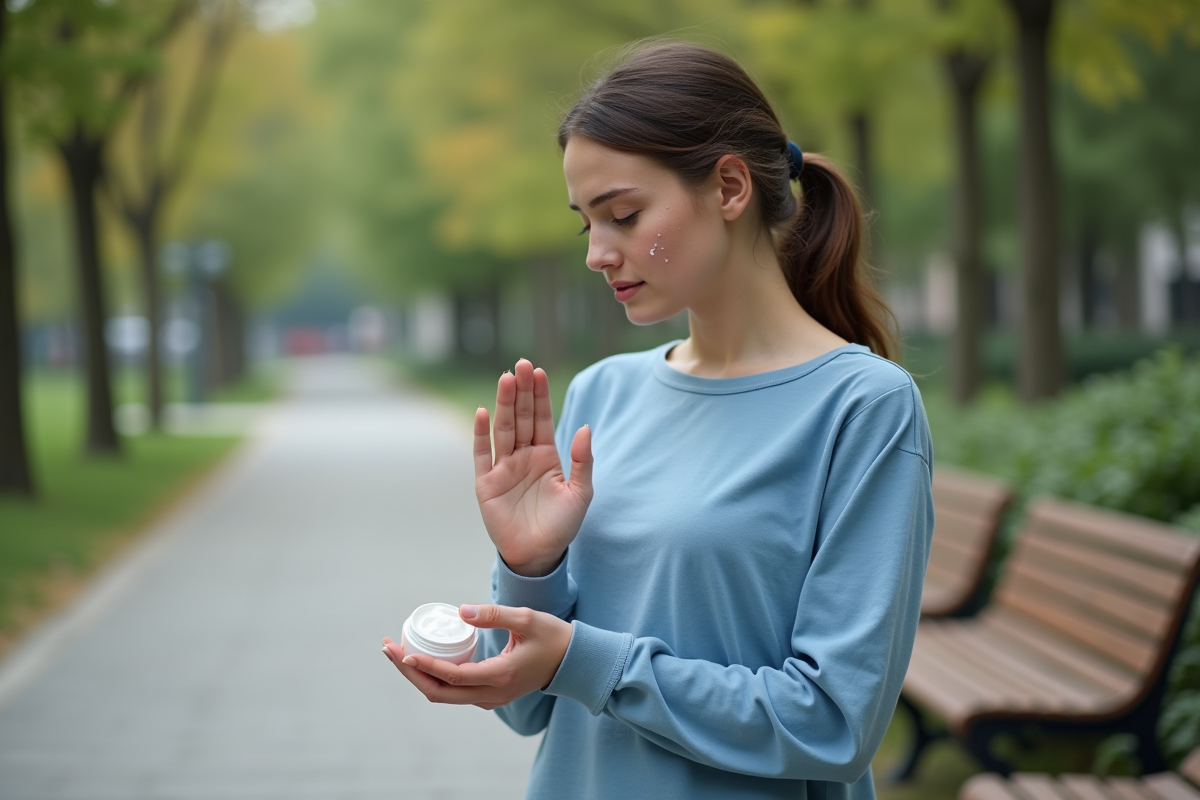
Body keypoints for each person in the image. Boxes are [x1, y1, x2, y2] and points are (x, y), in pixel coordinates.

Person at [382, 41, 934, 800]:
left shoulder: (862, 407)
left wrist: (583, 659)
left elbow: (833, 723)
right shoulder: (601, 394)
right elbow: (526, 710)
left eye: (624, 215)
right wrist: (530, 568)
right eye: (586, 225)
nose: (597, 254)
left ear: (730, 187)